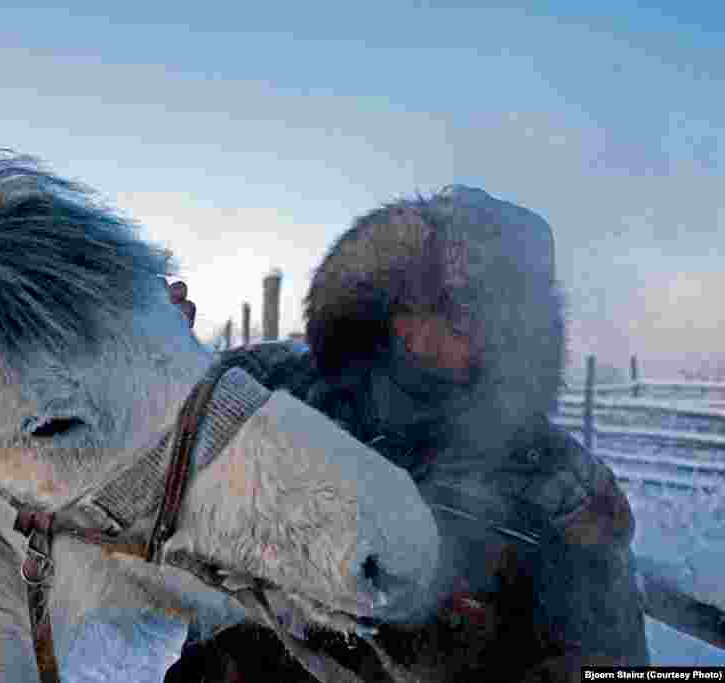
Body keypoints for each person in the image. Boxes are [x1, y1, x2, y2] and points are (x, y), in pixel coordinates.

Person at [189, 185, 648, 682]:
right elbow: (160, 415)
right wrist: (164, 344)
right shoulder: (288, 389)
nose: (426, 319)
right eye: (418, 295)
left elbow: (610, 665)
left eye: (473, 306)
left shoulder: (558, 488)